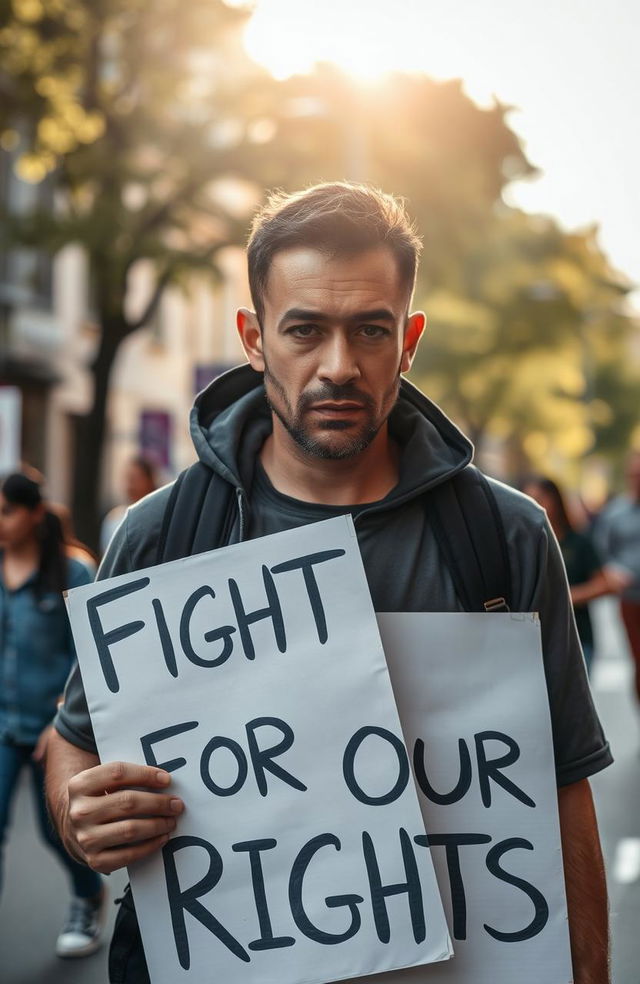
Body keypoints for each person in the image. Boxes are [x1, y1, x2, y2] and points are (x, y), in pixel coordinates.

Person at [46, 183, 611, 983]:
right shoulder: (159, 536)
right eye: (304, 330)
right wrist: (82, 816)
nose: (338, 366)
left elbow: (559, 784)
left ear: (408, 340)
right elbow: (72, 745)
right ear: (253, 337)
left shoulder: (507, 538)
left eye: (370, 331)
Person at [0, 472, 105, 958]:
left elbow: (87, 656)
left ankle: (87, 898)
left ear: (35, 513)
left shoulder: (73, 572)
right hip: (3, 726)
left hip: (55, 728)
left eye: (7, 510)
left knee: (56, 828)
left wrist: (60, 720)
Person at [522, 475, 612, 674]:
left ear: (556, 500)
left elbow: (604, 584)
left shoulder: (578, 542)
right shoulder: (522, 544)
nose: (535, 504)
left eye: (540, 497)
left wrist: (567, 597)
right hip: (535, 641)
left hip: (577, 637)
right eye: (528, 498)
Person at [594, 449, 640, 703]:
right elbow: (602, 553)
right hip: (630, 599)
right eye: (634, 474)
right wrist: (612, 571)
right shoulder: (616, 513)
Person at [99, 454, 158, 555]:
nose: (131, 485)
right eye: (129, 479)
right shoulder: (114, 519)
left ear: (150, 480)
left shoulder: (159, 515)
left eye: (136, 479)